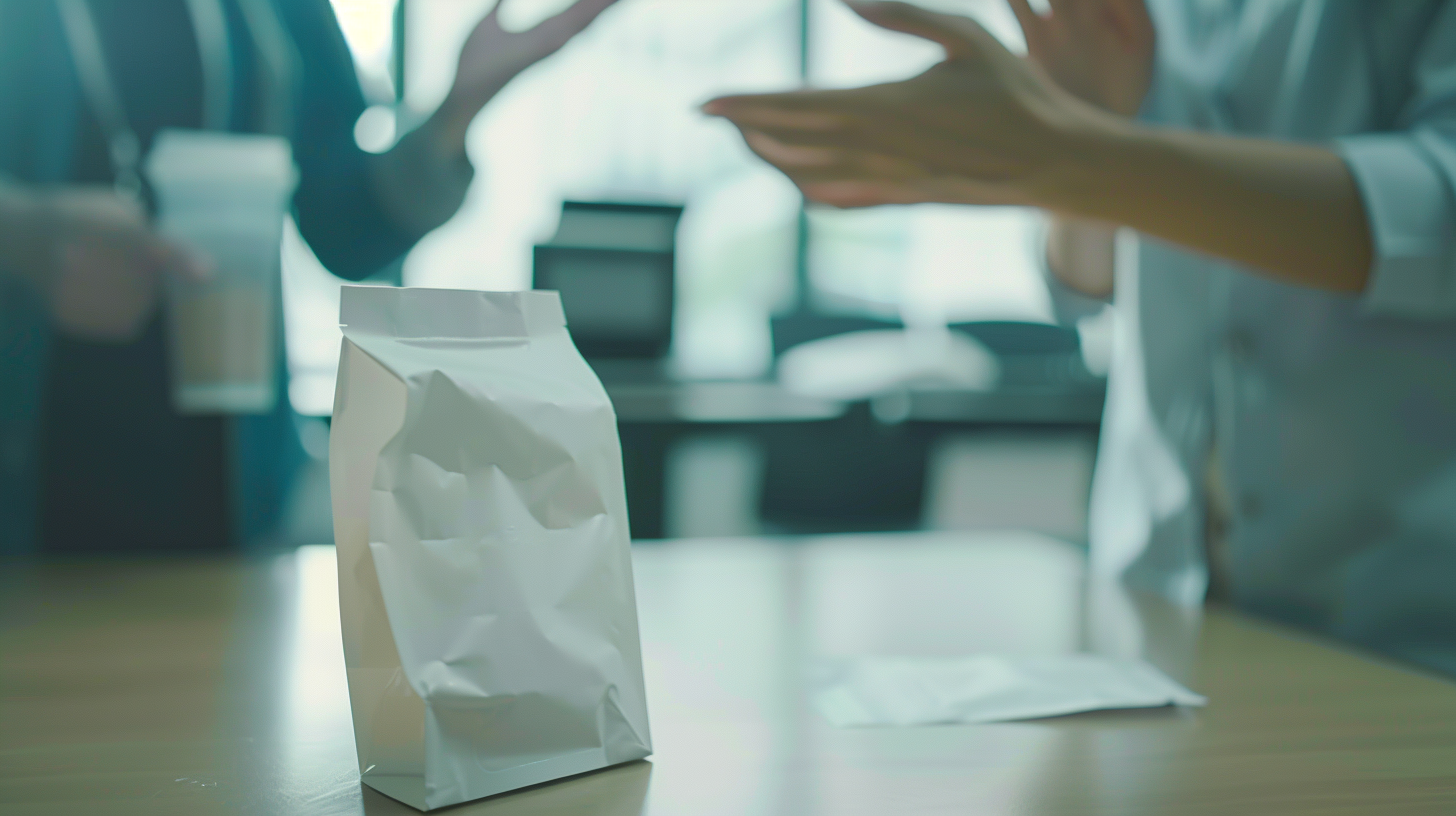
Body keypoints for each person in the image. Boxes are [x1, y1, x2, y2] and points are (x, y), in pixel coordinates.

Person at [707, 0, 1456, 674]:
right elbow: (1090, 275)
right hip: (1155, 613)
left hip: (1400, 628)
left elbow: (1435, 215)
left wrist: (1072, 154)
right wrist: (1079, 144)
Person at [0, 0, 618, 555]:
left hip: (231, 507)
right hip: (36, 483)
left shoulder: (278, 13)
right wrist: (20, 233)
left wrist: (456, 112)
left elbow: (343, 226)